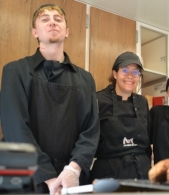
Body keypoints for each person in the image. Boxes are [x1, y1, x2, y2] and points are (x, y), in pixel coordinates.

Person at [0, 4, 100, 194]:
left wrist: (73, 169)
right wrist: (49, 176)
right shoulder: (15, 71)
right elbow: (16, 128)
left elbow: (91, 129)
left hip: (70, 180)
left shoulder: (85, 79)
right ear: (35, 32)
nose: (52, 22)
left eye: (58, 19)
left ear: (67, 31)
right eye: (45, 19)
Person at [90, 51, 151, 181]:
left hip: (141, 173)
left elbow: (147, 142)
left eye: (135, 72)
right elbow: (87, 138)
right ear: (115, 74)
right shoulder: (98, 99)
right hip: (108, 173)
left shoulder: (142, 102)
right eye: (125, 70)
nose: (130, 76)